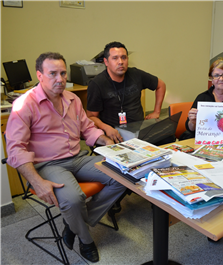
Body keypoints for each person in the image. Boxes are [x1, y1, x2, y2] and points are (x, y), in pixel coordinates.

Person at [6, 52, 126, 263]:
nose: (60, 79)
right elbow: (15, 149)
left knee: (124, 176)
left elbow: (87, 129)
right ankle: (86, 239)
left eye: (63, 73)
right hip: (48, 164)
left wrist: (106, 142)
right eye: (52, 73)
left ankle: (73, 224)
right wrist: (37, 181)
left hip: (76, 157)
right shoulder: (25, 104)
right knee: (73, 199)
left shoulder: (73, 99)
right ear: (39, 75)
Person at [87, 41, 166, 144]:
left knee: (167, 137)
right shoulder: (97, 84)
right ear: (106, 62)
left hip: (139, 130)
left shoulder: (136, 74)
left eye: (123, 57)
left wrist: (157, 112)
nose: (120, 62)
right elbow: (91, 117)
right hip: (114, 133)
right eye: (115, 58)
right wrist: (106, 128)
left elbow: (161, 85)